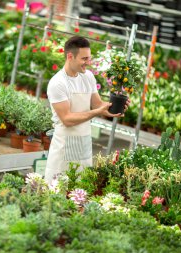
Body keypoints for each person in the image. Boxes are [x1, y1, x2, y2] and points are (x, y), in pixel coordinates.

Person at [45, 36, 129, 183]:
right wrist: (97, 112)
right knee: (58, 190)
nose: (88, 63)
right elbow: (67, 119)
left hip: (83, 142)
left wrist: (113, 107)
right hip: (64, 145)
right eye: (84, 59)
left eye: (89, 58)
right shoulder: (57, 83)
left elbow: (97, 104)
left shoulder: (88, 76)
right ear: (70, 56)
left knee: (82, 189)